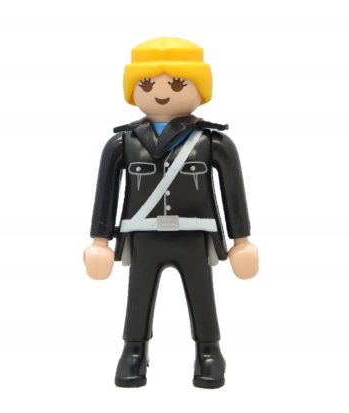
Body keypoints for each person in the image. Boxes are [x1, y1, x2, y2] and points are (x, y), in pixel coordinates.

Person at [83, 37, 259, 389]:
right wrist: (100, 241)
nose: (161, 94)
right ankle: (134, 349)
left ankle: (209, 350)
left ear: (200, 88)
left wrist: (241, 240)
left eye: (177, 84)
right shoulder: (123, 143)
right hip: (143, 235)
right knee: (138, 295)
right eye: (148, 85)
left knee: (202, 294)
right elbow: (106, 193)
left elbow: (233, 192)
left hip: (194, 236)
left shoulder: (212, 142)